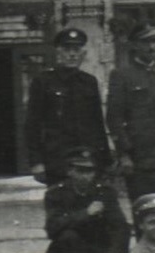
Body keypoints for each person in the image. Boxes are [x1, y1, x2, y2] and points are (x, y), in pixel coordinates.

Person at [44, 147, 131, 253]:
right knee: (68, 237)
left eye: (90, 171)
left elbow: (121, 227)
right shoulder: (56, 193)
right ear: (70, 171)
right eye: (81, 171)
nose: (87, 176)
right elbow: (52, 228)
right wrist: (86, 213)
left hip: (98, 249)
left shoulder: (105, 192)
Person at [106, 22, 155, 203]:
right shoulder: (121, 76)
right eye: (146, 42)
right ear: (134, 45)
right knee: (145, 209)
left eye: (154, 41)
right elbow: (114, 118)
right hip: (140, 160)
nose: (151, 47)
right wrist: (124, 154)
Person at [25, 28, 111, 185]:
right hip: (57, 159)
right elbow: (33, 124)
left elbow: (97, 123)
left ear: (82, 54)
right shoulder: (43, 81)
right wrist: (36, 162)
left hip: (87, 158)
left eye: (76, 49)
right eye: (67, 49)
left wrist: (105, 161)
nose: (72, 54)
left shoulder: (89, 82)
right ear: (58, 52)